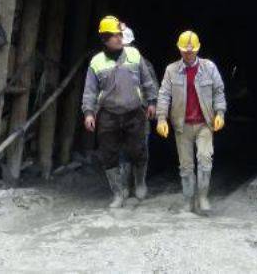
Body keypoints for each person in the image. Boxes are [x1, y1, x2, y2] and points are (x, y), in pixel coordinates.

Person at [82, 16, 157, 208]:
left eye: (119, 35)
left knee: (138, 150)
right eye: (114, 36)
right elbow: (90, 91)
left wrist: (152, 102)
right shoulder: (96, 62)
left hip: (134, 112)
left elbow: (148, 81)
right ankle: (117, 194)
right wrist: (89, 113)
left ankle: (140, 182)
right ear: (105, 39)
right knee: (109, 154)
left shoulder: (134, 55)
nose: (118, 38)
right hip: (108, 115)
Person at [156, 30, 226, 215]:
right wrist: (161, 118)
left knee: (205, 159)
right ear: (179, 50)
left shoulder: (209, 67)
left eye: (191, 50)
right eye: (184, 51)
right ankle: (188, 200)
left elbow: (218, 91)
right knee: (186, 165)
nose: (188, 53)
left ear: (197, 49)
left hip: (204, 123)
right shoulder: (171, 70)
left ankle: (202, 197)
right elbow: (164, 95)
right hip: (182, 125)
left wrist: (220, 112)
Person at [118, 23, 157, 198]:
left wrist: (150, 104)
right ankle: (125, 186)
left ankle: (140, 184)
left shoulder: (144, 64)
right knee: (122, 151)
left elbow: (152, 88)